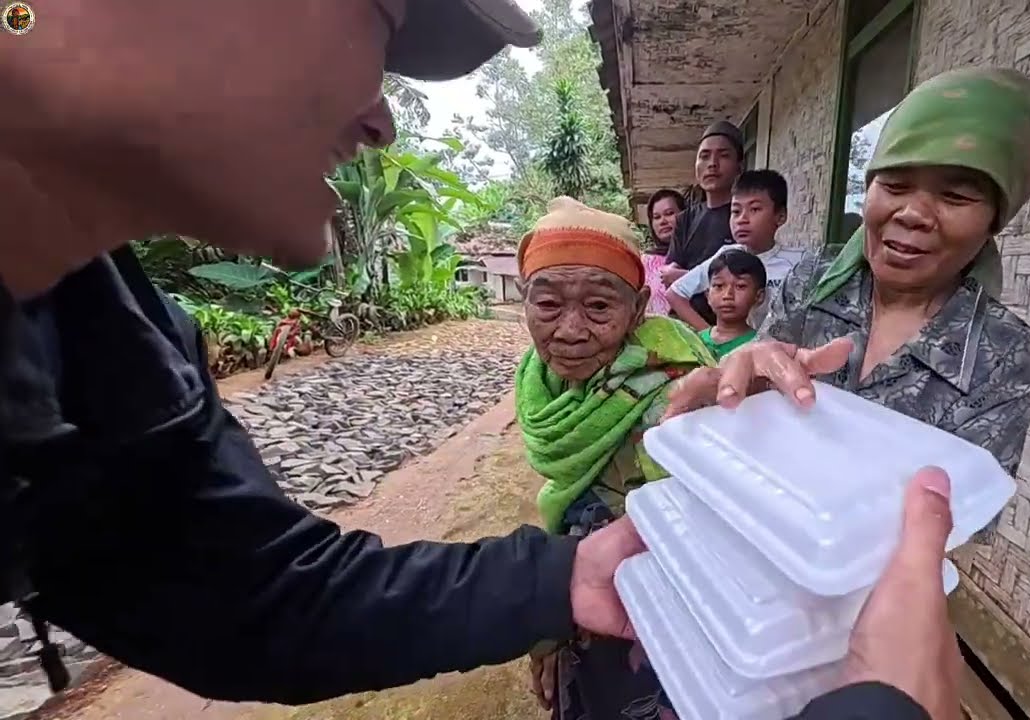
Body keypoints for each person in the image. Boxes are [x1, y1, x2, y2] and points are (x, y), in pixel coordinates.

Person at [1, 1, 963, 718]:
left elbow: (248, 594)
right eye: (374, 19)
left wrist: (561, 580)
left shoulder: (108, 344)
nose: (381, 119)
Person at [665, 66, 1030, 536]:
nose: (912, 213)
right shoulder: (813, 279)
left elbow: (964, 519)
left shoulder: (1005, 354)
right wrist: (734, 392)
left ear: (995, 219)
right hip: (759, 537)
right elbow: (756, 403)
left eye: (954, 195)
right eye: (893, 185)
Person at [515, 196, 716, 718]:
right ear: (523, 299)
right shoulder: (540, 381)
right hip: (577, 601)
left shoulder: (677, 386)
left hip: (666, 622)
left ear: (640, 304)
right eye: (548, 305)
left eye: (600, 307)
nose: (571, 330)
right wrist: (548, 622)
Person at [668, 169, 802, 331]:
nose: (742, 220)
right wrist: (709, 338)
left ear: (780, 216)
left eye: (754, 209)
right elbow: (675, 294)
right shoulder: (725, 257)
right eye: (736, 211)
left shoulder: (799, 264)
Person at [659, 121, 744, 323]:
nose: (712, 164)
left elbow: (744, 280)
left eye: (723, 155)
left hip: (728, 330)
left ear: (739, 167)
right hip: (683, 325)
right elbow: (668, 277)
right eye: (704, 156)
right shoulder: (685, 219)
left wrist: (688, 277)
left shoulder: (743, 217)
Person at [697, 249, 766, 360]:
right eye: (719, 286)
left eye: (740, 286)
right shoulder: (694, 341)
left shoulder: (760, 347)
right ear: (707, 295)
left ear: (759, 296)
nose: (728, 295)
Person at [641, 188, 686, 316]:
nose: (663, 221)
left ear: (686, 215)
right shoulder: (643, 262)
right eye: (656, 217)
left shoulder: (699, 253)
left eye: (669, 213)